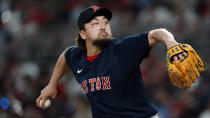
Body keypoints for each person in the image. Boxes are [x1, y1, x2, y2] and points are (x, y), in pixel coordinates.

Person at [36, 5, 185, 118]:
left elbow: (157, 33)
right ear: (82, 33)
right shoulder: (76, 56)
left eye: (106, 22)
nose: (103, 26)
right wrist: (52, 83)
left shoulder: (123, 49)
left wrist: (171, 42)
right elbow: (65, 56)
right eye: (95, 24)